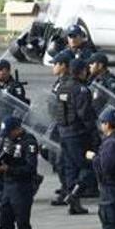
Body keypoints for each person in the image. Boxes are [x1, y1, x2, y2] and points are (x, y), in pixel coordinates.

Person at [47, 55, 95, 213]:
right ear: (81, 71)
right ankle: (74, 195)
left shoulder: (62, 87)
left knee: (70, 169)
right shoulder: (81, 89)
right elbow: (85, 114)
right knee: (89, 166)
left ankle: (73, 203)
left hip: (64, 133)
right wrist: (95, 135)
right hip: (79, 135)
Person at [0, 116, 39, 229]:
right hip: (7, 187)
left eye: (9, 132)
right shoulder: (6, 141)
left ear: (17, 129)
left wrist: (10, 169)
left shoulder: (29, 142)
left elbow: (30, 168)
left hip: (22, 188)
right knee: (4, 223)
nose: (7, 136)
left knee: (22, 224)